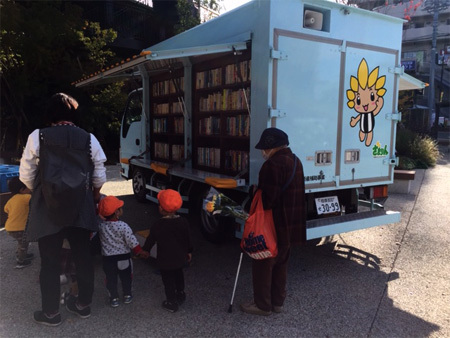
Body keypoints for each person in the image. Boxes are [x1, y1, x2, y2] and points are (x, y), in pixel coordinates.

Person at [19, 93, 107, 326]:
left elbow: (26, 175)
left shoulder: (37, 137)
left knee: (49, 261)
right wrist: (94, 195)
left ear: (50, 115)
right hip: (81, 206)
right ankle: (83, 305)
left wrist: (42, 192)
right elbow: (99, 174)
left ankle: (50, 313)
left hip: (49, 207)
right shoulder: (89, 138)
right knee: (83, 256)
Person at [240, 127, 306, 316]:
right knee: (281, 264)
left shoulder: (272, 165)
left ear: (271, 147)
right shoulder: (296, 161)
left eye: (264, 148)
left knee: (264, 263)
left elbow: (268, 200)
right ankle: (277, 302)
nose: (262, 152)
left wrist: (255, 192)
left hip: (272, 224)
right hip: (290, 223)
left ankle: (262, 305)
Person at [141, 189, 193, 313]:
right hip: (180, 257)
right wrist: (189, 251)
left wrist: (146, 251)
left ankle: (171, 301)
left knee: (168, 280)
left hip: (165, 260)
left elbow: (150, 240)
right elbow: (188, 239)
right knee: (179, 275)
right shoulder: (183, 222)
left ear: (162, 209)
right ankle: (180, 293)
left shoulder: (158, 225)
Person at [97, 195, 144, 307]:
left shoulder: (101, 226)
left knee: (111, 279)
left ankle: (114, 298)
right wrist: (140, 252)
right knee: (126, 277)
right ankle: (127, 295)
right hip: (124, 258)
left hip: (108, 260)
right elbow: (132, 241)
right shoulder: (123, 226)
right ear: (117, 212)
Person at [4, 177, 34, 269]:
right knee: (23, 244)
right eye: (28, 187)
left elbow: (6, 209)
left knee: (21, 242)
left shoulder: (11, 199)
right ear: (22, 190)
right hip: (20, 228)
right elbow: (36, 201)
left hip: (10, 227)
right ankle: (21, 261)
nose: (30, 189)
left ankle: (22, 254)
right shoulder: (27, 197)